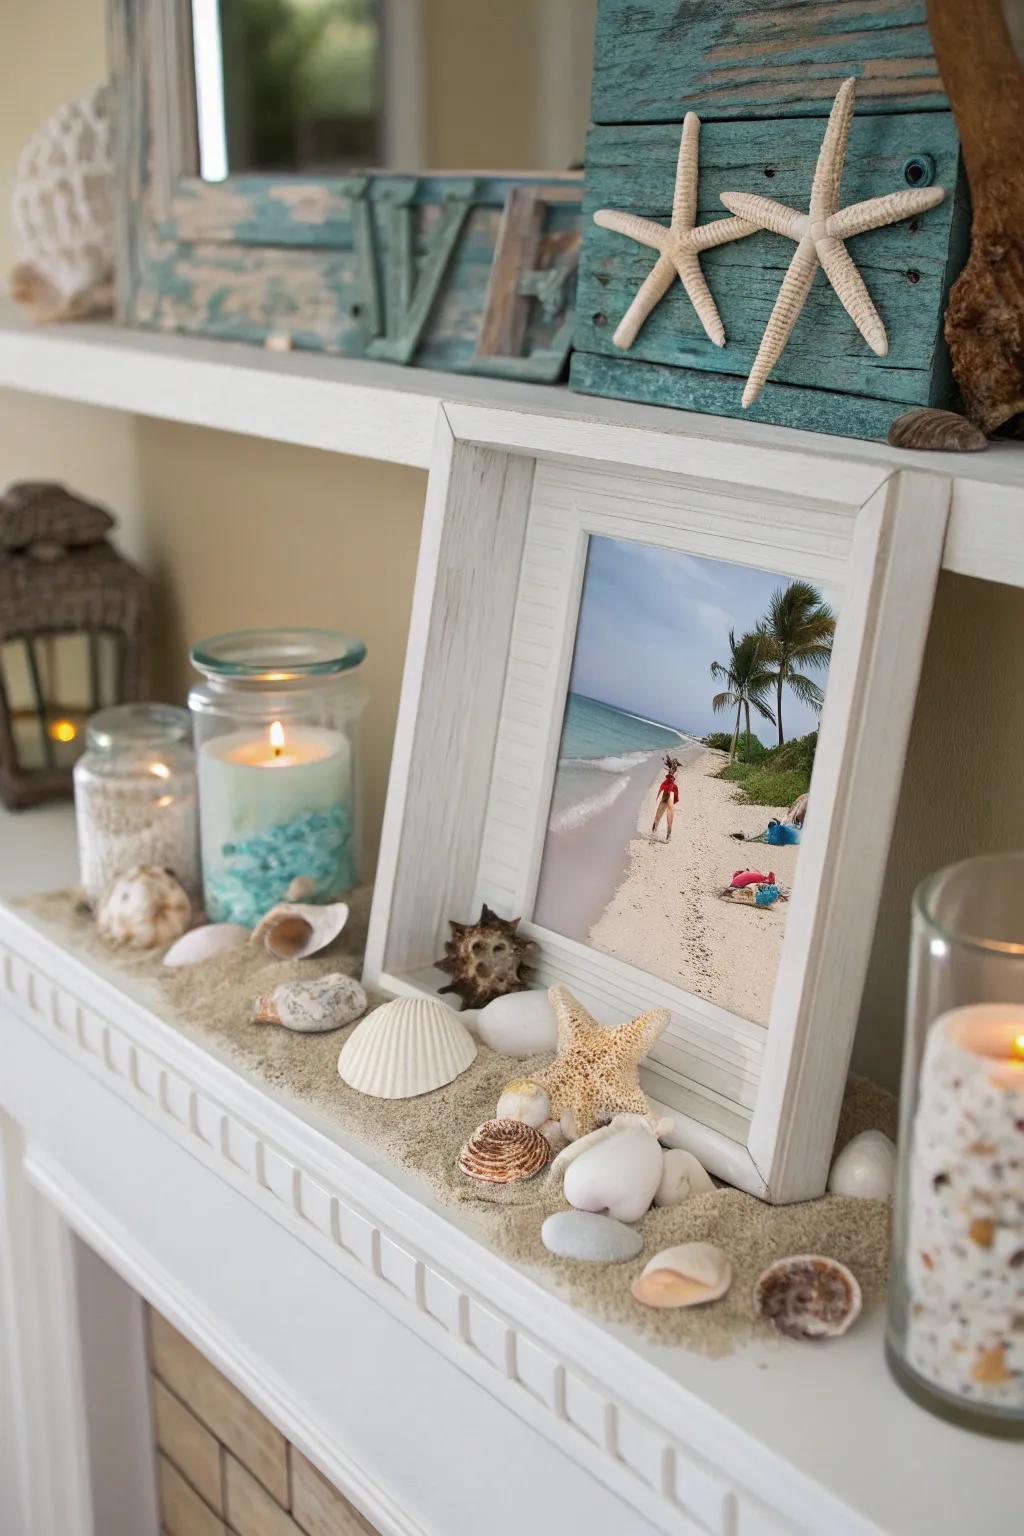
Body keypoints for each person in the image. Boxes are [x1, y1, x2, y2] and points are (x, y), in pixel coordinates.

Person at [652, 755, 680, 841]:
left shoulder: (675, 772)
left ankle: (666, 833)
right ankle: (655, 829)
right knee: (664, 807)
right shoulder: (671, 772)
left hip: (671, 788)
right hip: (669, 788)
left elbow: (674, 780)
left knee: (668, 807)